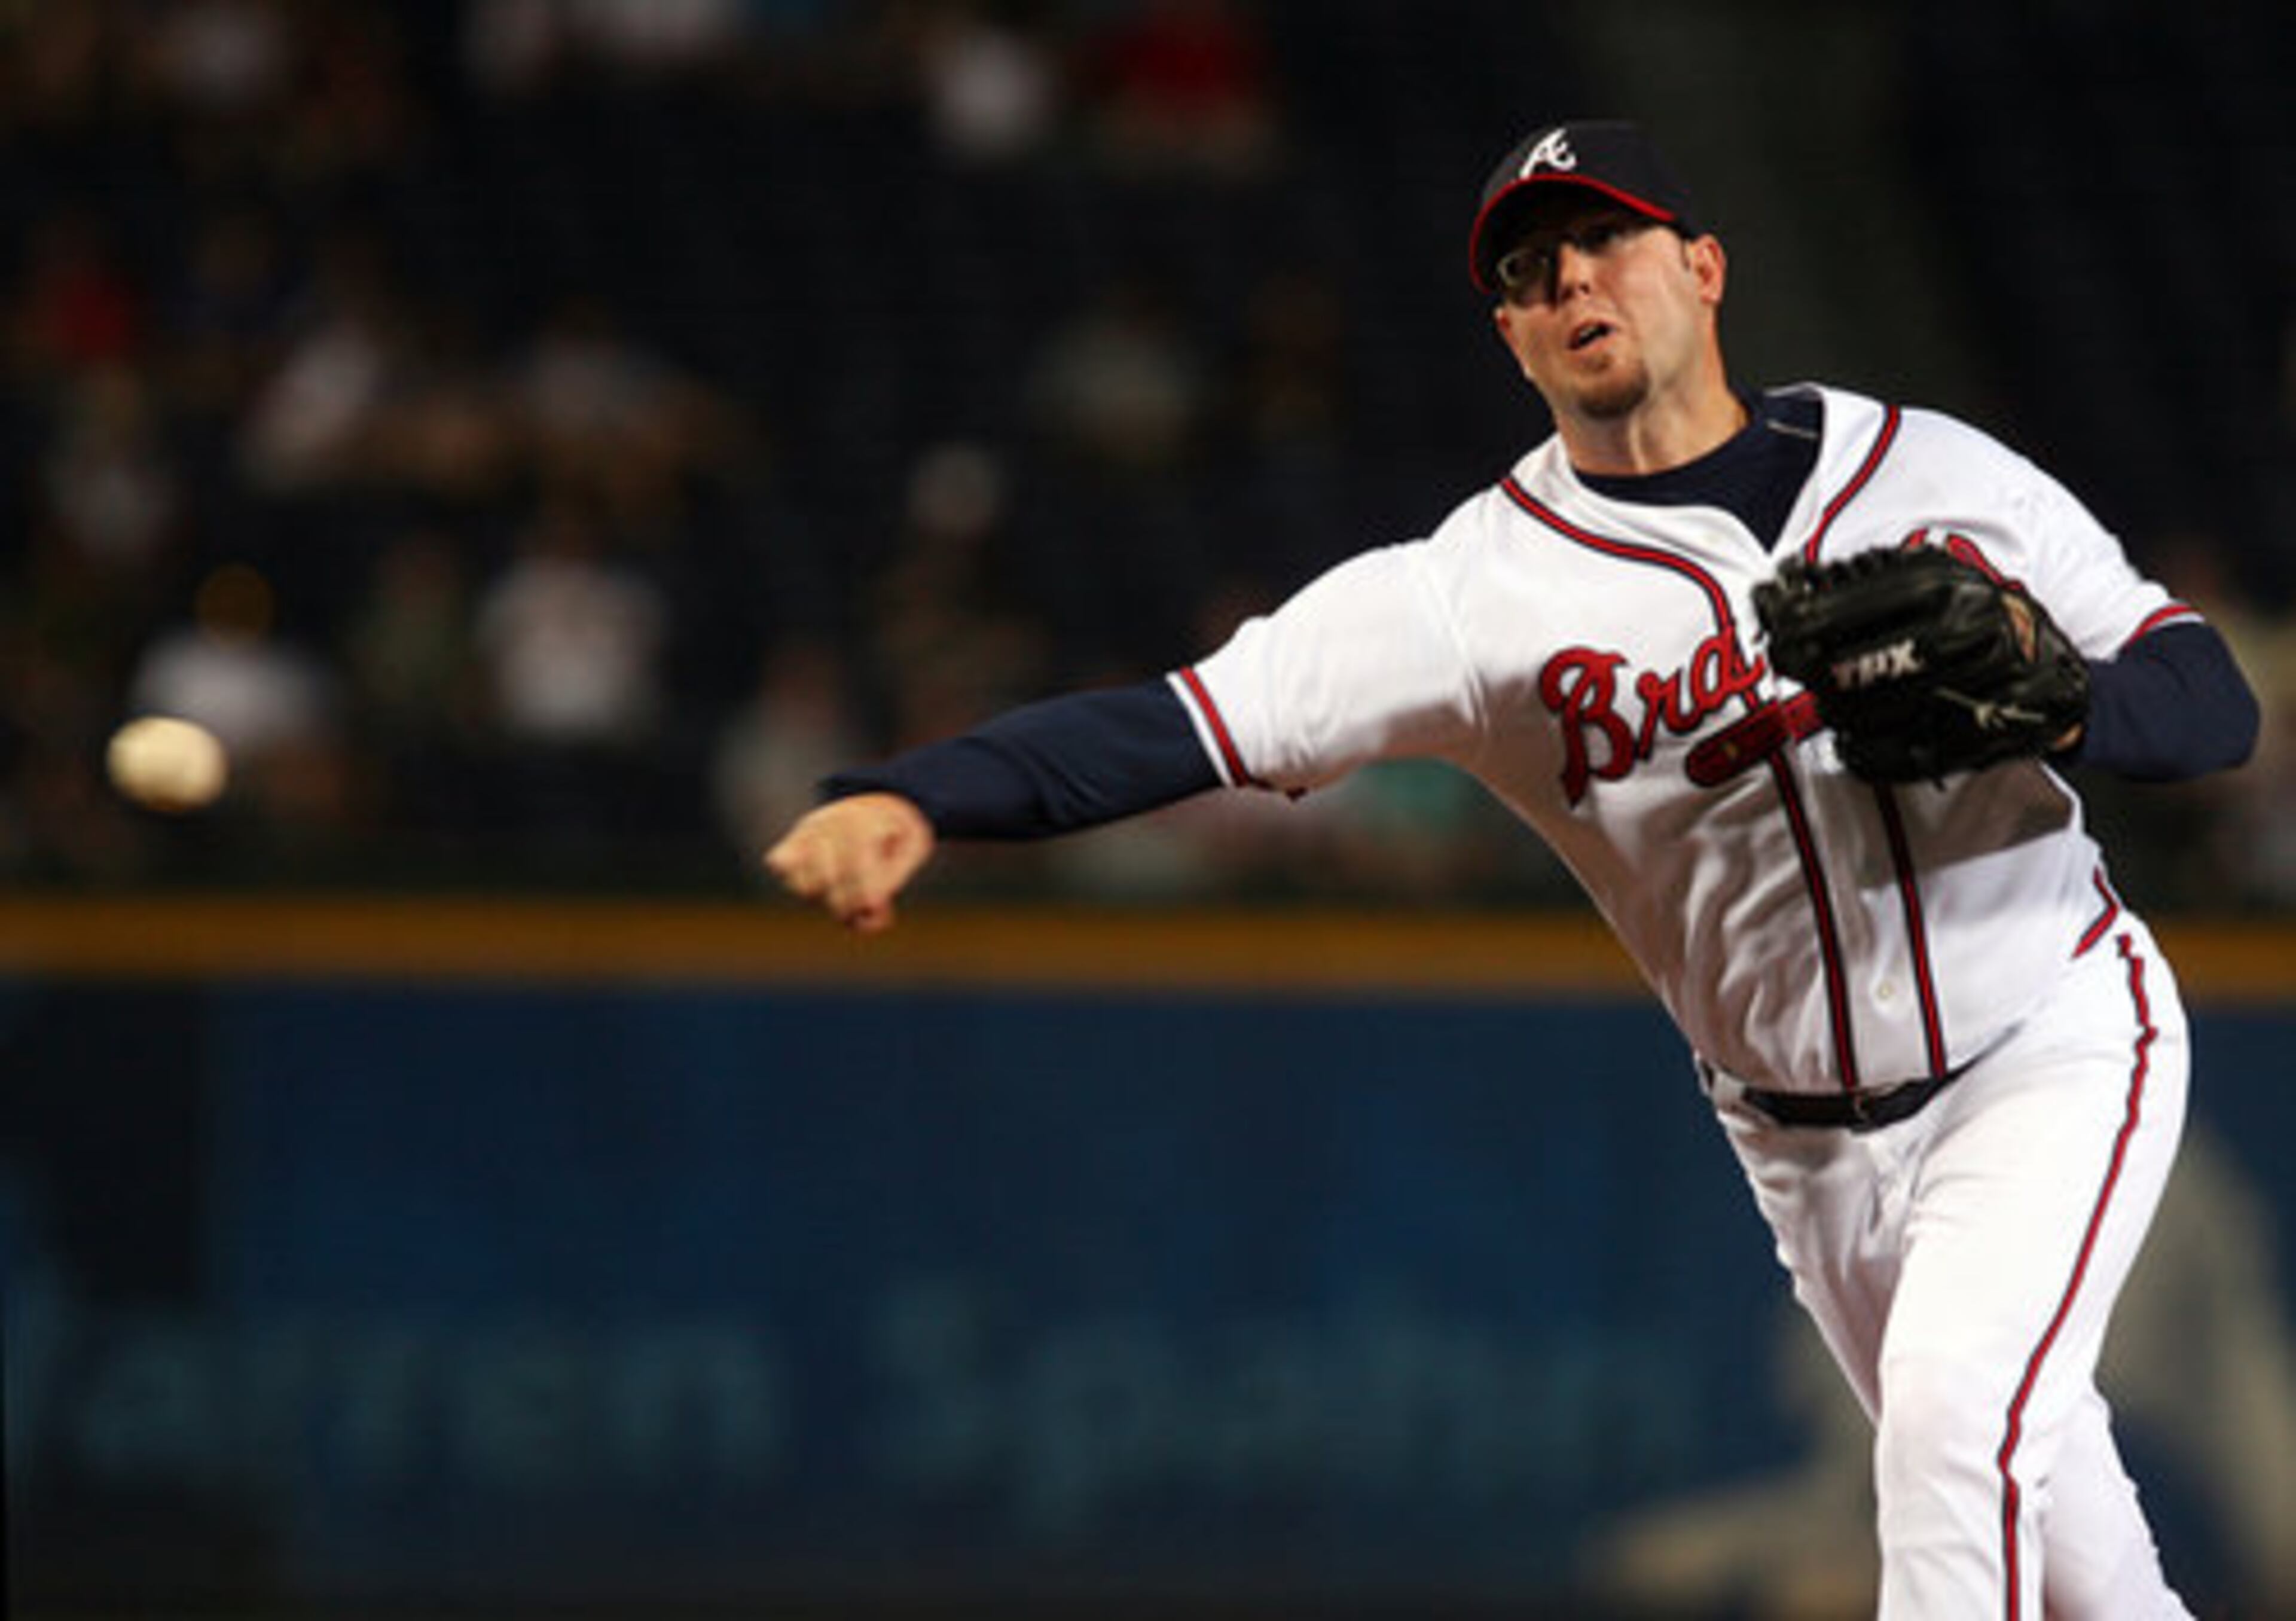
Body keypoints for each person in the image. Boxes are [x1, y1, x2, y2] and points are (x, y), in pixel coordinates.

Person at [765, 119, 2258, 1616]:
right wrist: (920, 796)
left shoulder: (1928, 468)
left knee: (1948, 1445)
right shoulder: (1478, 596)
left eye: (1605, 241)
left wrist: (2064, 698)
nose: (1572, 283)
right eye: (1531, 273)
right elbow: (1185, 723)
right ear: (1512, 338)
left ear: (1705, 266)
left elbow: (2206, 705)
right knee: (2072, 1556)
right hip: (1802, 1145)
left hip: (2048, 1043)